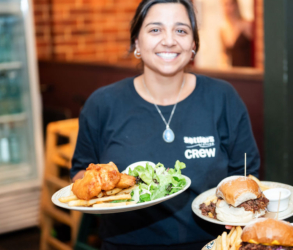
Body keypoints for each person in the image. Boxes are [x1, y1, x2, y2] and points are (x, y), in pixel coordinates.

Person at [70, 0, 260, 249]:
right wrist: (97, 186)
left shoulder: (223, 98)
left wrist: (242, 211)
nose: (169, 40)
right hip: (125, 244)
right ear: (137, 42)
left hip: (213, 243)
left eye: (180, 30)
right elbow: (79, 175)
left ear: (193, 44)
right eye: (155, 29)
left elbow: (247, 172)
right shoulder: (102, 104)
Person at [220, 0, 254, 67]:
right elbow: (224, 55)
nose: (228, 8)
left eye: (231, 4)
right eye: (225, 5)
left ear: (236, 5)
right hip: (234, 73)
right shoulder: (223, 31)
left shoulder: (246, 25)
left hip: (247, 72)